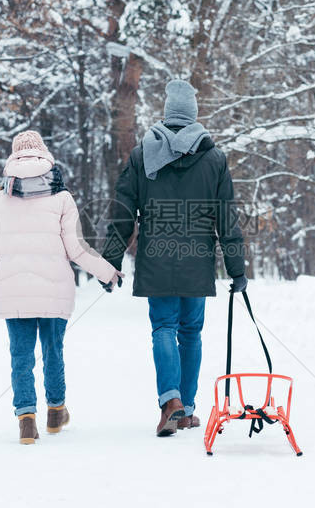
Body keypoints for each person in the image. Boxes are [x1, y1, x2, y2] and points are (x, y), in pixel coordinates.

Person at [102, 79, 247, 437]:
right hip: (197, 256)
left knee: (163, 326)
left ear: (167, 114)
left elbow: (123, 211)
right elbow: (227, 217)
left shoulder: (142, 154)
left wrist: (111, 260)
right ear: (194, 115)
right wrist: (236, 267)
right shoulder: (213, 159)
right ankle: (186, 408)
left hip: (156, 254)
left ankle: (172, 402)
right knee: (191, 332)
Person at [0, 131, 120, 444]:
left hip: (12, 289)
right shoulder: (62, 197)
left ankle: (26, 420)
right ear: (45, 157)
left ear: (14, 158)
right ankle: (56, 413)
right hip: (54, 289)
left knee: (20, 356)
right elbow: (76, 248)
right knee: (52, 351)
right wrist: (107, 272)